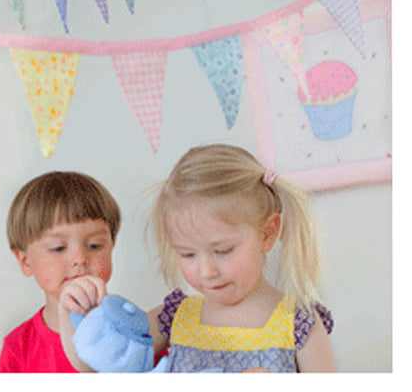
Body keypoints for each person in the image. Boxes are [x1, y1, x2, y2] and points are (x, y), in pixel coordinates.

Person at [60, 144, 336, 372]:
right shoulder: (177, 316)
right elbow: (96, 367)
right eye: (187, 254)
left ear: (267, 234)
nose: (206, 271)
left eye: (223, 250)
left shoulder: (298, 325)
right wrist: (69, 308)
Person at [0, 171, 120, 372]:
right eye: (58, 248)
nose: (80, 258)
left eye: (95, 245)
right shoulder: (18, 348)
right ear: (25, 261)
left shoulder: (137, 329)